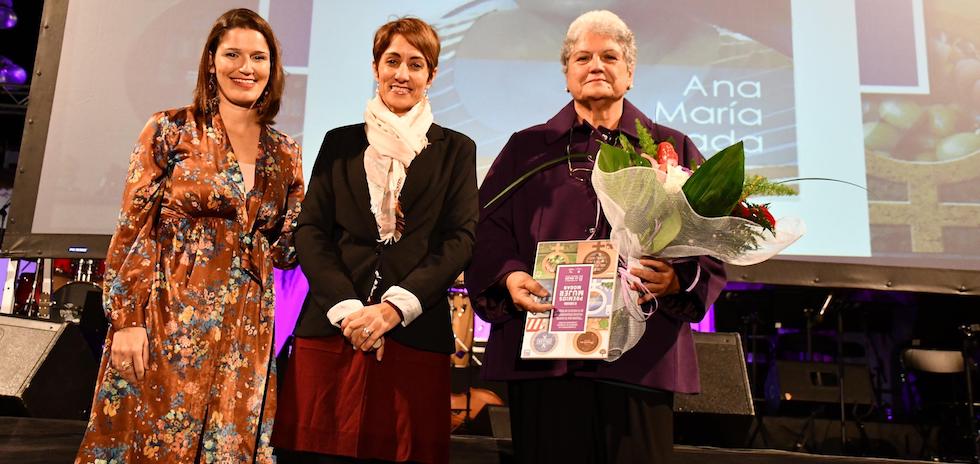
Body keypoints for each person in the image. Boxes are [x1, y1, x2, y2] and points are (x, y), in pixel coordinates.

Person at [465, 10, 727, 464]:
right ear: (567, 75)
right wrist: (509, 277)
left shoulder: (672, 149)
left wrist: (677, 277)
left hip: (640, 361)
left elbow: (714, 240)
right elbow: (485, 230)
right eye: (582, 57)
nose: (596, 66)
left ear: (630, 73)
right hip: (547, 357)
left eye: (609, 56)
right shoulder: (526, 149)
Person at [75, 8, 303, 463]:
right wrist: (127, 321)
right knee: (152, 444)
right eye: (233, 54)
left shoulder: (285, 152)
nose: (246, 67)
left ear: (272, 69)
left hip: (246, 329)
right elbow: (133, 228)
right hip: (167, 318)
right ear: (211, 62)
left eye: (259, 57)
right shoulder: (169, 129)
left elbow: (287, 245)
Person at [271, 17, 478, 464]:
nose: (402, 74)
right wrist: (348, 309)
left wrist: (392, 308)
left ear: (432, 75)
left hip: (413, 331)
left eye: (416, 64)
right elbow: (311, 231)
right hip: (332, 329)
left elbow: (460, 239)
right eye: (393, 61)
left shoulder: (456, 149)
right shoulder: (339, 142)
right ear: (375, 67)